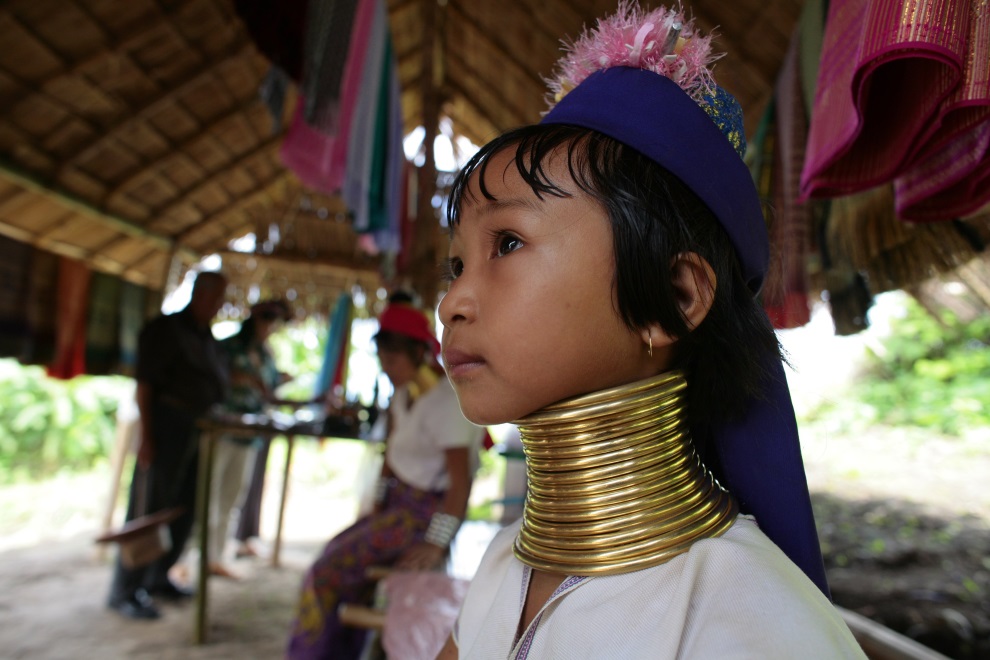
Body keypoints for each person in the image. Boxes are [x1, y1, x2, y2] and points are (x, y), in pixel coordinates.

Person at [435, 4, 866, 658]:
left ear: (674, 296)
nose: (453, 300)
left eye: (510, 242)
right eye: (457, 263)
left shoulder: (747, 619)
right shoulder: (504, 566)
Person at [286, 296, 486, 659]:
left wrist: (435, 543)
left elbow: (461, 483)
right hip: (395, 510)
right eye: (382, 360)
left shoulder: (445, 402)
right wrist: (377, 504)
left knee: (326, 572)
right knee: (336, 560)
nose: (386, 368)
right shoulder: (405, 394)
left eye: (392, 360)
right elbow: (390, 458)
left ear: (419, 354)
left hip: (422, 516)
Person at [107, 270, 229, 620]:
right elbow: (144, 386)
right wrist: (147, 436)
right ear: (200, 294)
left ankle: (159, 577)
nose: (220, 305)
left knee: (184, 507)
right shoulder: (166, 330)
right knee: (150, 509)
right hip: (165, 427)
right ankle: (126, 589)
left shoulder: (206, 338)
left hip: (198, 429)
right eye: (217, 297)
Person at [207, 299, 291, 578]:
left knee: (231, 497)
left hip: (249, 435)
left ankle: (217, 557)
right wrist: (241, 379)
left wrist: (279, 381)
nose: (269, 326)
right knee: (210, 494)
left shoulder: (266, 355)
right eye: (266, 319)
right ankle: (196, 558)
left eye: (273, 321)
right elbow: (215, 377)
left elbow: (268, 389)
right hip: (222, 431)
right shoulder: (230, 347)